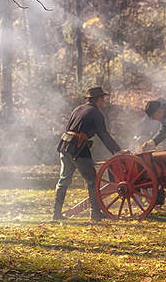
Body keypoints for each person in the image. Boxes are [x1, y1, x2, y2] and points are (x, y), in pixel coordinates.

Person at [53, 87, 128, 221]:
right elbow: (103, 134)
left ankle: (56, 213)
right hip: (78, 148)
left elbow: (69, 128)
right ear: (98, 99)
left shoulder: (78, 109)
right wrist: (117, 151)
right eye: (103, 98)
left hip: (65, 147)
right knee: (92, 180)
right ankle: (95, 213)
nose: (104, 101)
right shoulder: (95, 113)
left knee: (63, 180)